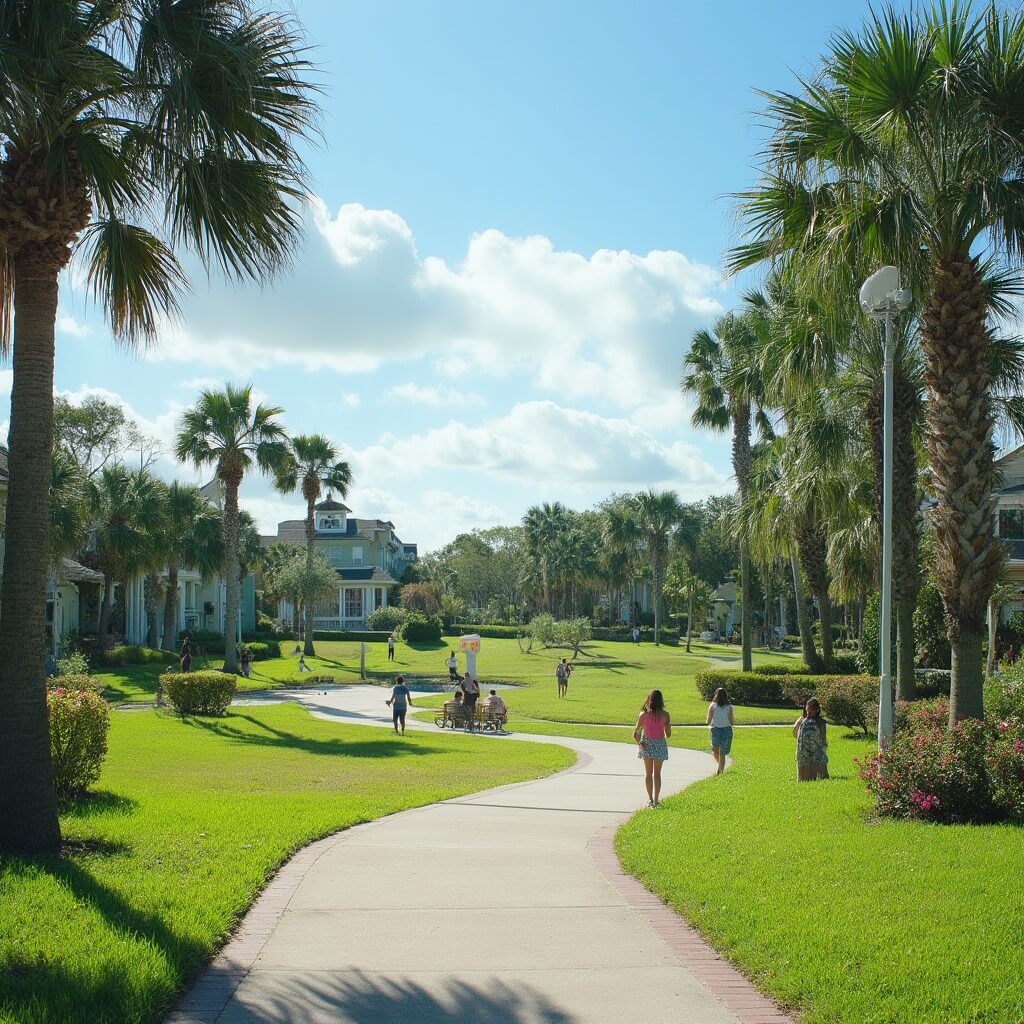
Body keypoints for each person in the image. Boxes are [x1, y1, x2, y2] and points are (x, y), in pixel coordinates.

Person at [633, 689, 671, 807]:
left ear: (649, 700)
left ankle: (650, 799)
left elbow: (636, 733)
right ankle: (656, 799)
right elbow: (668, 734)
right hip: (659, 744)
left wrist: (640, 742)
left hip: (647, 744)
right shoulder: (665, 715)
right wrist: (668, 725)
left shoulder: (643, 715)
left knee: (648, 774)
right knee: (657, 774)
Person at [793, 698, 829, 781]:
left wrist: (822, 750)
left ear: (817, 710)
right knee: (804, 780)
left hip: (817, 752)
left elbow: (823, 738)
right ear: (806, 709)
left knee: (823, 778)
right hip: (803, 752)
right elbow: (795, 735)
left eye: (812, 709)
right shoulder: (802, 721)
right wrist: (798, 723)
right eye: (808, 709)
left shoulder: (821, 722)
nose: (810, 711)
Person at [705, 686, 734, 775]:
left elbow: (708, 721)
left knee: (717, 751)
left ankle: (720, 771)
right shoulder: (728, 707)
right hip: (724, 730)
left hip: (718, 730)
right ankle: (720, 767)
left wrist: (708, 720)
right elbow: (731, 722)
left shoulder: (713, 706)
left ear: (716, 695)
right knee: (720, 752)